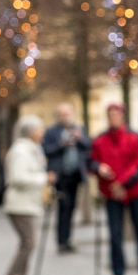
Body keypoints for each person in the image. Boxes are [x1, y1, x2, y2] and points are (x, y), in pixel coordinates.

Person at [89, 103, 138, 275]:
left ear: (123, 116)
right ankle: (118, 274)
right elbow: (91, 161)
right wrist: (99, 168)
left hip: (135, 191)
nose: (113, 118)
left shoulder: (135, 137)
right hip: (112, 194)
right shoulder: (100, 140)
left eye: (116, 114)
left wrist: (123, 183)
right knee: (115, 235)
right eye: (110, 115)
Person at [1, 114, 48, 275]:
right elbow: (18, 178)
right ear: (31, 132)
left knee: (27, 243)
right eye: (39, 129)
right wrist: (44, 179)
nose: (42, 132)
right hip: (20, 205)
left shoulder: (32, 149)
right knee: (28, 243)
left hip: (28, 203)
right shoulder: (21, 151)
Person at [40, 103, 90, 254]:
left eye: (67, 114)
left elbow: (88, 146)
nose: (65, 117)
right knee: (64, 207)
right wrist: (61, 144)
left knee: (72, 207)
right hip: (60, 176)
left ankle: (68, 240)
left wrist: (79, 139)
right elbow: (46, 150)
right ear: (58, 116)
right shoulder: (51, 131)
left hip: (75, 174)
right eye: (62, 114)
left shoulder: (78, 129)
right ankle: (61, 241)